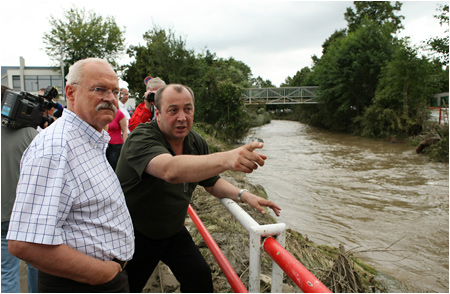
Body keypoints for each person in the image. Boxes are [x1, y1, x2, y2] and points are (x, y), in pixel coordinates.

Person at [115, 83, 282, 293]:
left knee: (200, 278)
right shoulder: (141, 138)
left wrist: (244, 195)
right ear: (157, 112)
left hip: (172, 230)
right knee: (127, 287)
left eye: (188, 109)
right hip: (136, 233)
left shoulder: (196, 142)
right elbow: (170, 170)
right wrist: (228, 158)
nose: (182, 117)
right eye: (173, 110)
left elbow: (211, 182)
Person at [7, 58, 135, 293]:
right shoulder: (56, 148)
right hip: (81, 282)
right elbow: (25, 244)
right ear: (71, 93)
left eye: (114, 91)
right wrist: (101, 274)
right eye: (100, 89)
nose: (110, 98)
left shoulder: (88, 139)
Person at [1, 85, 39, 293]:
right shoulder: (31, 135)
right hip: (28, 215)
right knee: (37, 265)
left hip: (2, 215)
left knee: (6, 272)